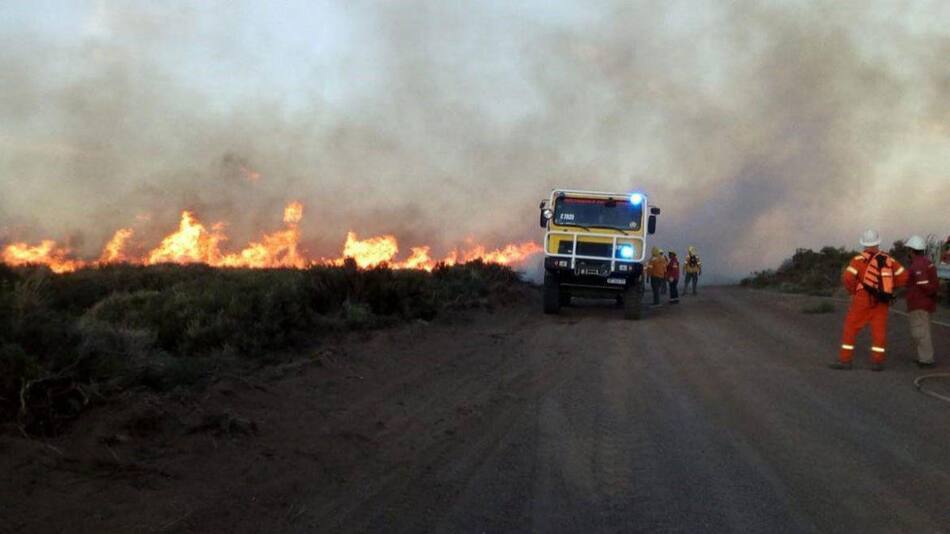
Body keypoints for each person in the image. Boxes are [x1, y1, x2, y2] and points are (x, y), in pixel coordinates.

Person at [830, 229, 909, 371]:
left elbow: (848, 278)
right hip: (882, 300)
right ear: (878, 242)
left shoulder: (858, 260)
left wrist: (853, 292)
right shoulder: (888, 260)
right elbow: (904, 277)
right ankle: (877, 362)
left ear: (864, 244)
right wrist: (888, 288)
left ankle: (845, 360)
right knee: (879, 331)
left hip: (862, 299)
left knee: (851, 328)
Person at [905, 235, 939, 368]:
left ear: (912, 250)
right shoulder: (927, 262)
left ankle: (926, 360)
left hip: (919, 304)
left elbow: (923, 285)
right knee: (922, 330)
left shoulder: (918, 265)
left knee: (920, 332)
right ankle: (924, 357)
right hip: (925, 303)